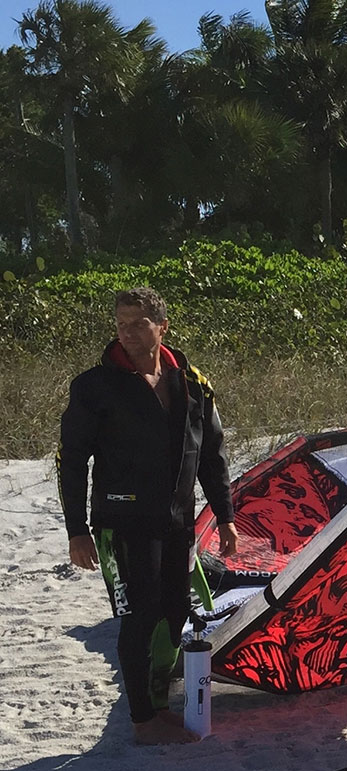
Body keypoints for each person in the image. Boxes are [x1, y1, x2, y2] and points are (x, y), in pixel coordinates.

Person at [57, 287, 239, 745]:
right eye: (121, 323)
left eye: (139, 323)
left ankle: (155, 703)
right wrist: (77, 531)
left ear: (163, 326)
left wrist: (225, 513)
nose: (129, 332)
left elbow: (211, 452)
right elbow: (72, 459)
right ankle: (143, 720)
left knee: (174, 608)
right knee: (139, 615)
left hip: (177, 517)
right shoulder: (94, 386)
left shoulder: (192, 381)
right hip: (122, 520)